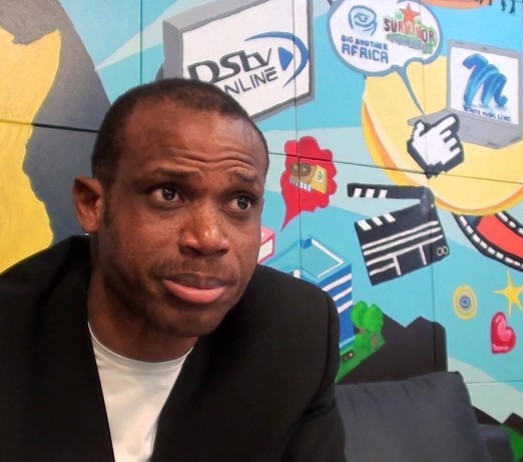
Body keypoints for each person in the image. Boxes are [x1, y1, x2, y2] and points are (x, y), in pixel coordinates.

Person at [0, 78, 346, 461]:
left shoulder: (295, 335)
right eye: (168, 193)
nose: (209, 238)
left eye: (240, 201)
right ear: (92, 205)